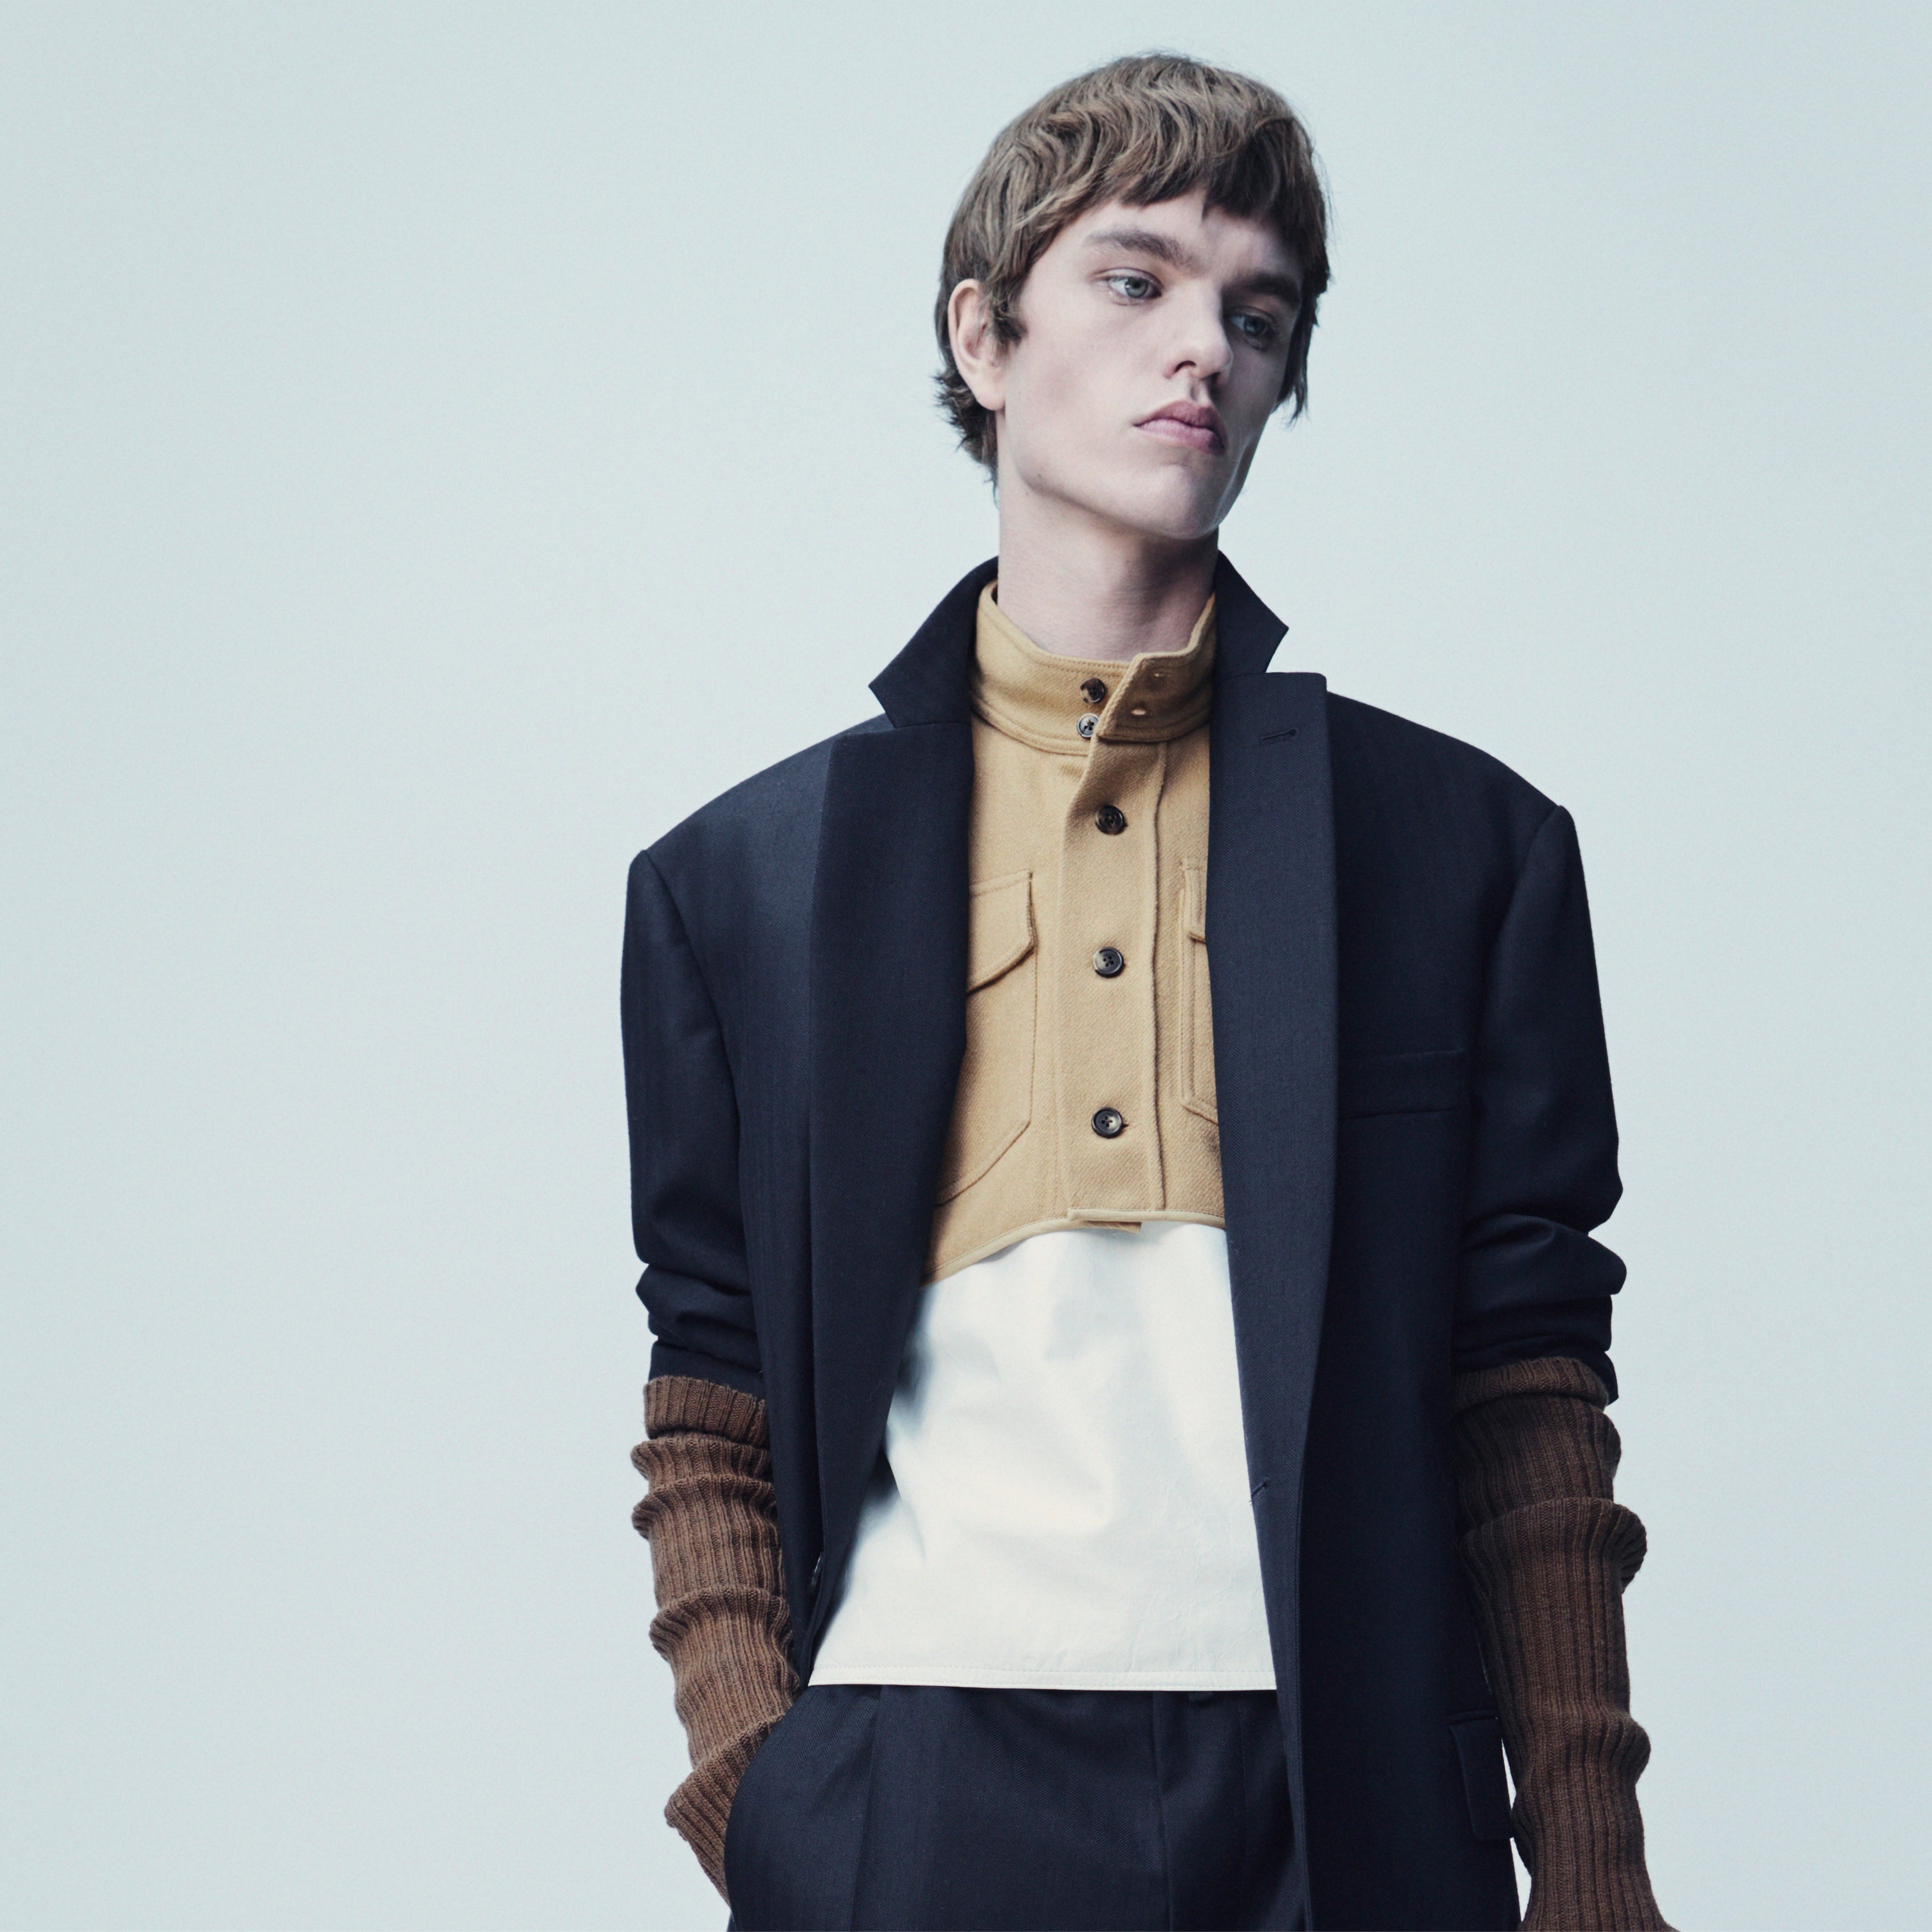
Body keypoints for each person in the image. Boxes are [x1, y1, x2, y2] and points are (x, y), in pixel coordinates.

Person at [625, 53, 1668, 1932]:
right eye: (1136, 279)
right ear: (984, 335)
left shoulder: (1461, 845)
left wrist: (1590, 1862)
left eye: (1257, 316)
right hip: (917, 1788)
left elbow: (1527, 1385)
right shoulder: (742, 882)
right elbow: (713, 1392)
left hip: (1348, 1791)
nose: (1205, 348)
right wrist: (760, 1794)